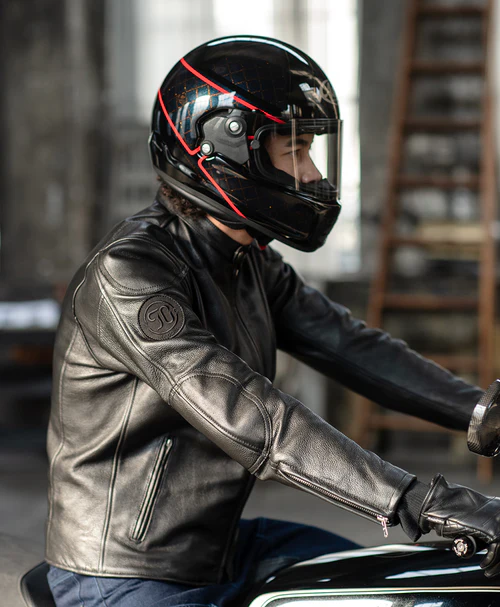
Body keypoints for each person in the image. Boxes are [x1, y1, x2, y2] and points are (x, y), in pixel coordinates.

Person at [45, 35, 500, 607]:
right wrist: (420, 501)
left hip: (220, 545)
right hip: (126, 569)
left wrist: (483, 411)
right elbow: (257, 418)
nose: (311, 172)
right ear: (225, 151)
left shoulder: (249, 260)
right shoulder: (130, 275)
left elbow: (351, 346)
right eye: (294, 151)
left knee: (412, 589)